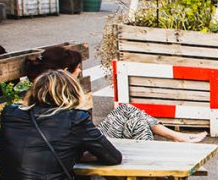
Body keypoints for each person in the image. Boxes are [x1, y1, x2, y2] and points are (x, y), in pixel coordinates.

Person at [27, 46, 206, 143]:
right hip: (82, 146)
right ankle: (156, 179)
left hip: (79, 141)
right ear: (66, 72)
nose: (80, 71)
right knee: (135, 121)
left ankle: (178, 141)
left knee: (129, 112)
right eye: (78, 69)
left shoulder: (36, 94)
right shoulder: (62, 95)